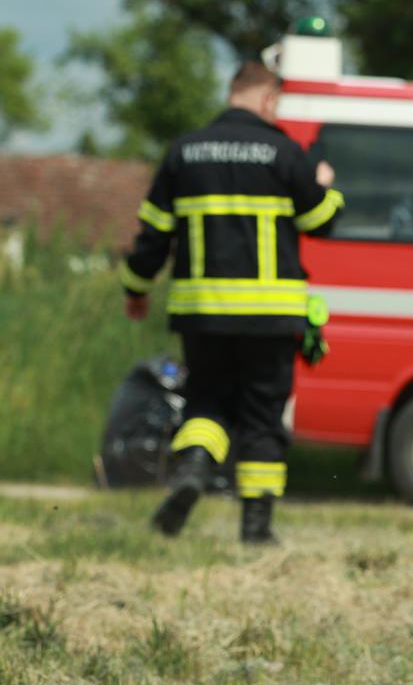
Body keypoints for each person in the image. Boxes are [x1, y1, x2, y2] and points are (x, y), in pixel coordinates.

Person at [120, 60, 343, 545]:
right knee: (262, 417)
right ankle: (256, 531)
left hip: (204, 314)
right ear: (268, 100)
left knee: (206, 402)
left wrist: (135, 290)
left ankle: (195, 469)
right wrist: (324, 184)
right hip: (270, 317)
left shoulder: (184, 152)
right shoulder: (283, 153)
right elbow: (322, 221)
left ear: (232, 93)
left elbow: (152, 238)